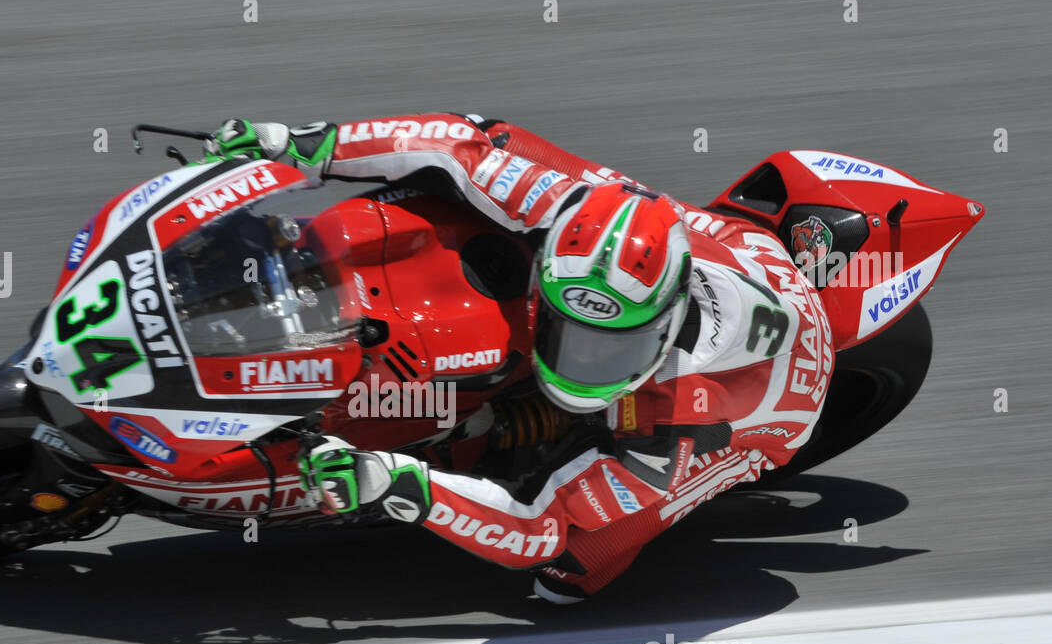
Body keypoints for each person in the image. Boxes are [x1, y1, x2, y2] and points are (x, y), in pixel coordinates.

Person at [207, 115, 834, 602]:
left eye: (607, 348)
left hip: (776, 411)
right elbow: (453, 145)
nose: (579, 359)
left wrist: (405, 484)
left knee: (568, 572)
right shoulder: (567, 208)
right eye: (570, 331)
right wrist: (308, 145)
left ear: (663, 327)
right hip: (735, 247)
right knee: (491, 137)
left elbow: (539, 529)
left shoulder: (669, 429)